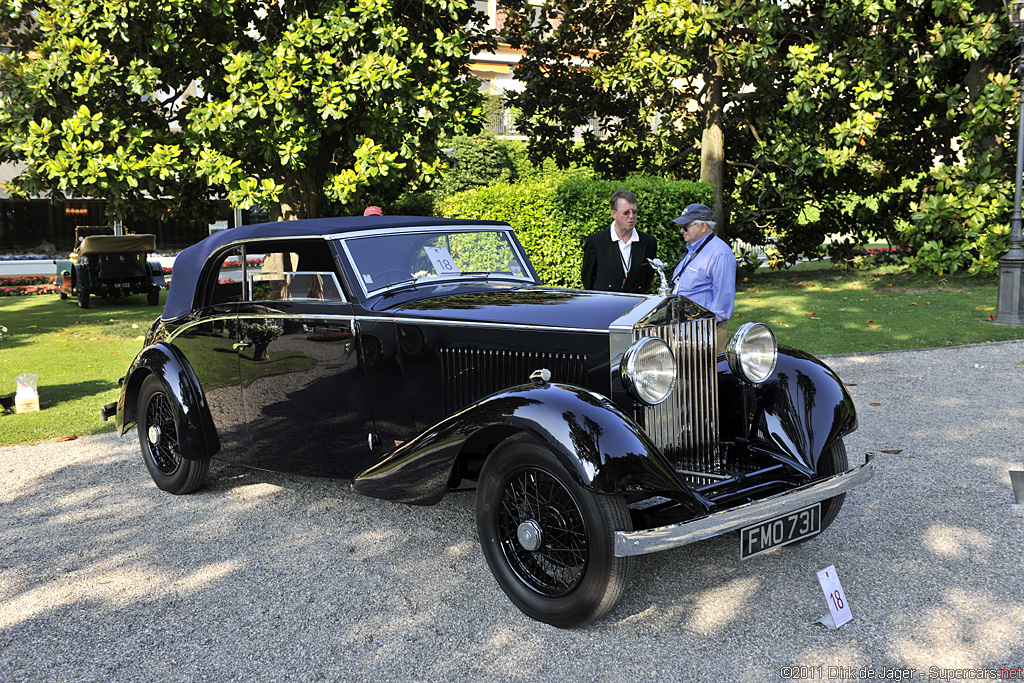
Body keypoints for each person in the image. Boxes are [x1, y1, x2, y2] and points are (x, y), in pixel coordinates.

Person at [670, 203, 736, 350]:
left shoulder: (720, 253)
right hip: (687, 329)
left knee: (707, 372)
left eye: (686, 226)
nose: (681, 230)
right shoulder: (694, 249)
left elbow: (723, 301)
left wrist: (705, 330)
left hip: (705, 332)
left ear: (703, 226)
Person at [581, 189, 657, 293]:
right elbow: (587, 279)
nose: (631, 216)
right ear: (613, 214)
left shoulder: (648, 242)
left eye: (634, 212)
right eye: (626, 213)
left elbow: (647, 279)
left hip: (635, 305)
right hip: (604, 304)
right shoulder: (596, 242)